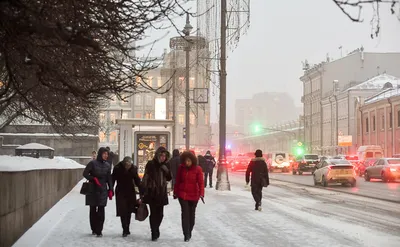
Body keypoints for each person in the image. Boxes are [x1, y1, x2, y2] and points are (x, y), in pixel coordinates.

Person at [141, 147, 172, 241]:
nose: (163, 158)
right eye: (161, 155)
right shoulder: (151, 164)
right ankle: (154, 231)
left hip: (162, 193)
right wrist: (143, 191)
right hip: (152, 192)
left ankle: (156, 228)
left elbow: (169, 178)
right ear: (158, 155)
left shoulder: (166, 165)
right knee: (154, 213)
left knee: (160, 214)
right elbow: (146, 177)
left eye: (165, 156)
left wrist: (166, 170)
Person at [83, 147, 114, 237]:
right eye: (104, 154)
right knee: (93, 209)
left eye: (107, 154)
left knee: (101, 209)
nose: (106, 155)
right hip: (92, 188)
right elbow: (85, 173)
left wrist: (111, 189)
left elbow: (109, 179)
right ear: (100, 154)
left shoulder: (107, 165)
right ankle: (93, 228)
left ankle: (99, 230)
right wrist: (93, 178)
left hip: (102, 189)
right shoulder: (92, 163)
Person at [174, 151, 204, 242]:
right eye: (186, 161)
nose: (187, 163)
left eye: (189, 161)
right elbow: (178, 180)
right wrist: (176, 192)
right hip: (182, 194)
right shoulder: (181, 168)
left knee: (191, 215)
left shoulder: (198, 169)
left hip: (194, 195)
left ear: (193, 161)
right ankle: (186, 234)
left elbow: (201, 183)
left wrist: (201, 194)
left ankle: (189, 230)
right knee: (185, 214)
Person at [112, 156, 143, 237]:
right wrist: (110, 189)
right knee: (123, 211)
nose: (128, 166)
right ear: (124, 163)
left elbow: (137, 180)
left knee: (129, 210)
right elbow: (112, 179)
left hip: (130, 191)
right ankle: (124, 229)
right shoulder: (117, 168)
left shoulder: (133, 169)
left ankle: (127, 228)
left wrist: (142, 191)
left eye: (129, 165)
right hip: (120, 191)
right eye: (126, 165)